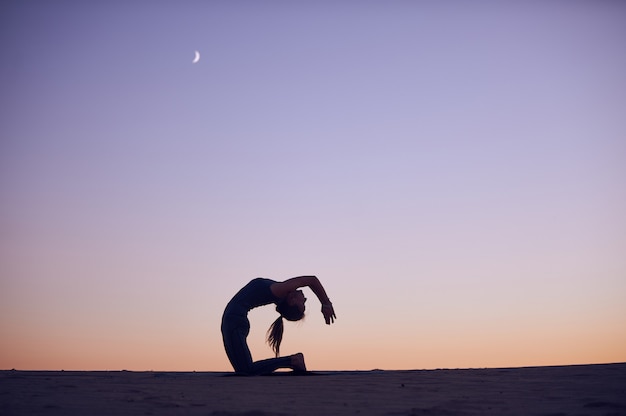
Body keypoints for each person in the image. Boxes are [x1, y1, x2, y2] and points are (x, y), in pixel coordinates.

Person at [221, 275, 336, 375]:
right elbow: (311, 280)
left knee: (245, 371)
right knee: (244, 369)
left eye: (303, 304)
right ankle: (292, 361)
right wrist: (325, 303)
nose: (305, 299)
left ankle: (293, 361)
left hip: (233, 321)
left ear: (292, 301)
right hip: (234, 320)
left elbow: (311, 280)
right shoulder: (280, 290)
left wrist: (326, 304)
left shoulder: (280, 291)